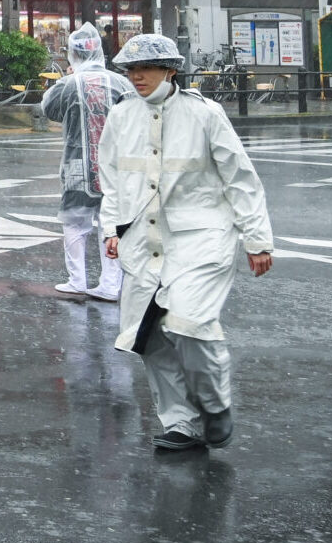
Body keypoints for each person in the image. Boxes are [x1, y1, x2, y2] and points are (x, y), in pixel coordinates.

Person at [100, 33, 273, 453]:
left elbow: (240, 177)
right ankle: (180, 424)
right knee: (152, 338)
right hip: (142, 238)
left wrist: (257, 238)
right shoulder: (121, 116)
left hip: (203, 236)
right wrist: (111, 229)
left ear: (170, 70)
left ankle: (214, 406)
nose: (136, 76)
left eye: (145, 69)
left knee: (189, 323)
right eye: (130, 70)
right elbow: (111, 179)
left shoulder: (205, 113)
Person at [42, 22, 129, 302]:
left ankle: (77, 280)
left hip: (78, 165)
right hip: (116, 168)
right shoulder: (120, 82)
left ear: (73, 55)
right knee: (112, 224)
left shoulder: (68, 84)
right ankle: (111, 284)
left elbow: (49, 110)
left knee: (75, 224)